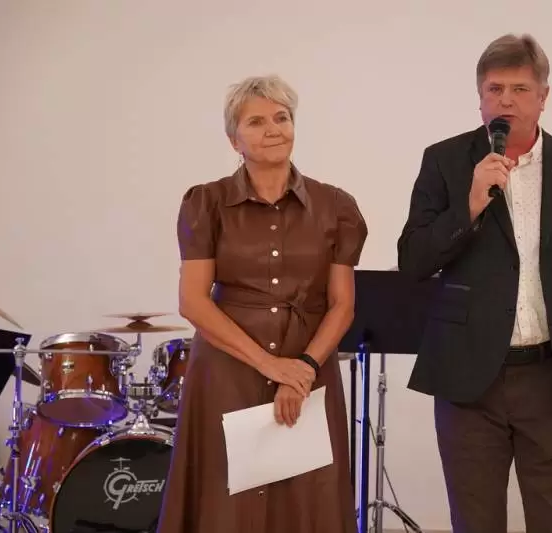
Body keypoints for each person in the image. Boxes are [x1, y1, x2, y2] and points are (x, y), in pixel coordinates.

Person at [397, 33, 552, 533]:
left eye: (520, 89)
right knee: (475, 523)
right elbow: (412, 260)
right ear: (479, 97)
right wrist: (470, 204)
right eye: (495, 89)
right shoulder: (445, 161)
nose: (506, 101)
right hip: (468, 382)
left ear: (543, 96)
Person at [156, 74, 367, 533]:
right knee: (226, 505)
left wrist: (302, 370)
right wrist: (272, 367)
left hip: (310, 371)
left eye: (282, 117)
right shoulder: (206, 203)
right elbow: (193, 302)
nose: (273, 129)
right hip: (226, 374)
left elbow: (342, 305)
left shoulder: (337, 206)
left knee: (308, 500)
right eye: (256, 121)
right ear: (234, 139)